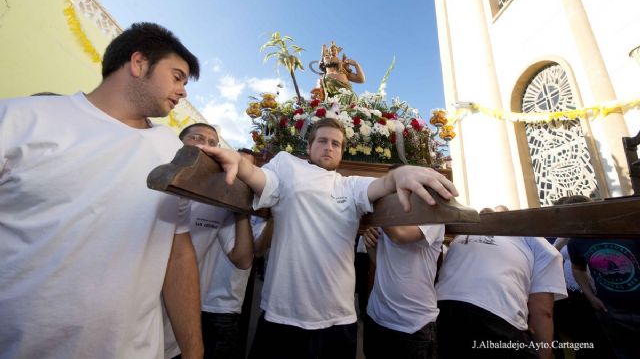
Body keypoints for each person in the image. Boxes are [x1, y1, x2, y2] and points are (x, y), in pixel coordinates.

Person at [0, 22, 204, 358]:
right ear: (138, 63)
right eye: (177, 76)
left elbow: (178, 253)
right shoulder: (20, 119)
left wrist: (194, 352)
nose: (183, 91)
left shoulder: (173, 152)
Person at [198, 117, 458, 359]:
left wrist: (400, 174)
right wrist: (239, 162)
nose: (329, 147)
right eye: (322, 141)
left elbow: (383, 185)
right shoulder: (287, 166)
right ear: (310, 146)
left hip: (338, 320)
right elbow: (258, 176)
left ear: (342, 151)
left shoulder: (350, 185)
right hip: (281, 315)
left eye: (336, 144)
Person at [164, 126, 255, 359]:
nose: (205, 145)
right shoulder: (157, 181)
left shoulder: (217, 200)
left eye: (213, 142)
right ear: (179, 142)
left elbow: (243, 259)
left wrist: (241, 207)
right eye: (197, 138)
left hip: (177, 324)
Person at [436, 206, 567, 359]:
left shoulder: (465, 234)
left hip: (442, 310)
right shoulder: (540, 245)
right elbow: (542, 311)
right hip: (496, 316)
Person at [566, 196, 640, 359]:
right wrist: (590, 296)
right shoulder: (576, 242)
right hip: (612, 310)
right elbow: (577, 268)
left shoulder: (627, 231)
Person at [362, 217, 444, 359]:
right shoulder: (388, 216)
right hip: (377, 317)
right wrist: (370, 243)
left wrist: (376, 212)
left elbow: (399, 234)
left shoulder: (433, 213)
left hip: (413, 325)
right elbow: (380, 263)